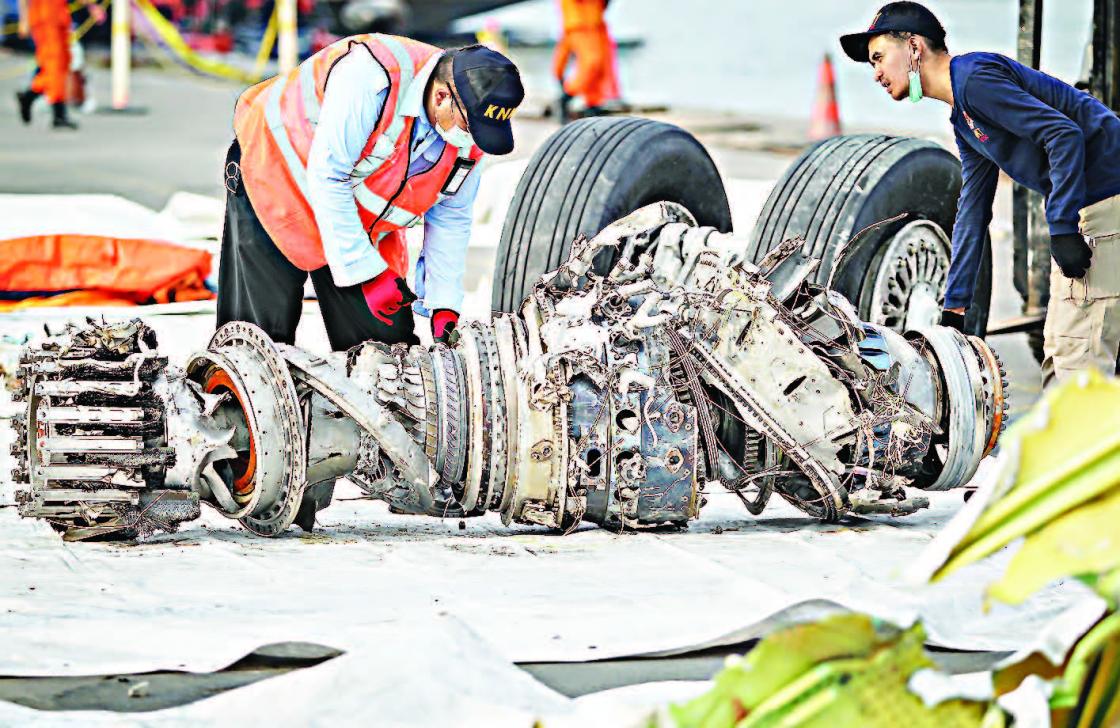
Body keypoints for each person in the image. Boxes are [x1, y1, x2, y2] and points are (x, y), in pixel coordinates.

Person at [840, 2, 1120, 384]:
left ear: (914, 47)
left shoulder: (974, 79)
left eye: (878, 58)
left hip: (1106, 202)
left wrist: (1063, 228)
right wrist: (955, 308)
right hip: (1096, 203)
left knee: (1076, 369)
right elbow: (972, 211)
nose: (876, 74)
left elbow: (1063, 134)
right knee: (1063, 353)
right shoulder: (964, 116)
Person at [218, 36, 524, 351]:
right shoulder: (371, 76)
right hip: (275, 173)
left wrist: (443, 302)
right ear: (441, 96)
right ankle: (234, 397)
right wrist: (366, 273)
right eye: (469, 125)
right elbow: (329, 176)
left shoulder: (468, 131)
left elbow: (451, 216)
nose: (473, 137)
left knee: (388, 350)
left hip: (356, 214)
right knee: (260, 343)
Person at [15, 0, 102, 129]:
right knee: (54, 65)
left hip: (60, 17)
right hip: (45, 20)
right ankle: (58, 113)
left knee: (63, 63)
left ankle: (29, 96)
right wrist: (24, 19)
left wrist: (91, 5)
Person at [553, 0, 619, 120]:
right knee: (592, 63)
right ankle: (566, 97)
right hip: (578, 24)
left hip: (596, 23)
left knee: (600, 68)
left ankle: (593, 105)